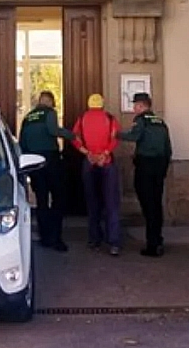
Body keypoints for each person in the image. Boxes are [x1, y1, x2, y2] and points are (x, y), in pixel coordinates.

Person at [19, 91, 80, 252]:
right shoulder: (49, 113)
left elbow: (22, 143)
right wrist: (73, 136)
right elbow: (53, 130)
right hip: (50, 160)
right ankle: (57, 238)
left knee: (41, 200)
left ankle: (45, 237)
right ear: (50, 102)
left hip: (33, 162)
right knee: (59, 197)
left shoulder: (28, 117)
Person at [116, 92, 172, 257]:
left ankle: (152, 245)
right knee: (156, 204)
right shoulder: (161, 122)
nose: (134, 108)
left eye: (135, 105)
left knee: (148, 206)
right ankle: (158, 239)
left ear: (141, 106)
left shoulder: (141, 120)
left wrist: (116, 134)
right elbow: (168, 148)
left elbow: (134, 136)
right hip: (160, 166)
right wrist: (163, 168)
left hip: (145, 167)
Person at [71, 93, 122, 256]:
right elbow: (116, 138)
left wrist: (88, 153)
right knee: (111, 204)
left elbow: (74, 137)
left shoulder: (82, 118)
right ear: (102, 104)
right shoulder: (109, 117)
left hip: (89, 163)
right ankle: (114, 243)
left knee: (93, 203)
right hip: (106, 162)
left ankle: (94, 240)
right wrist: (105, 153)